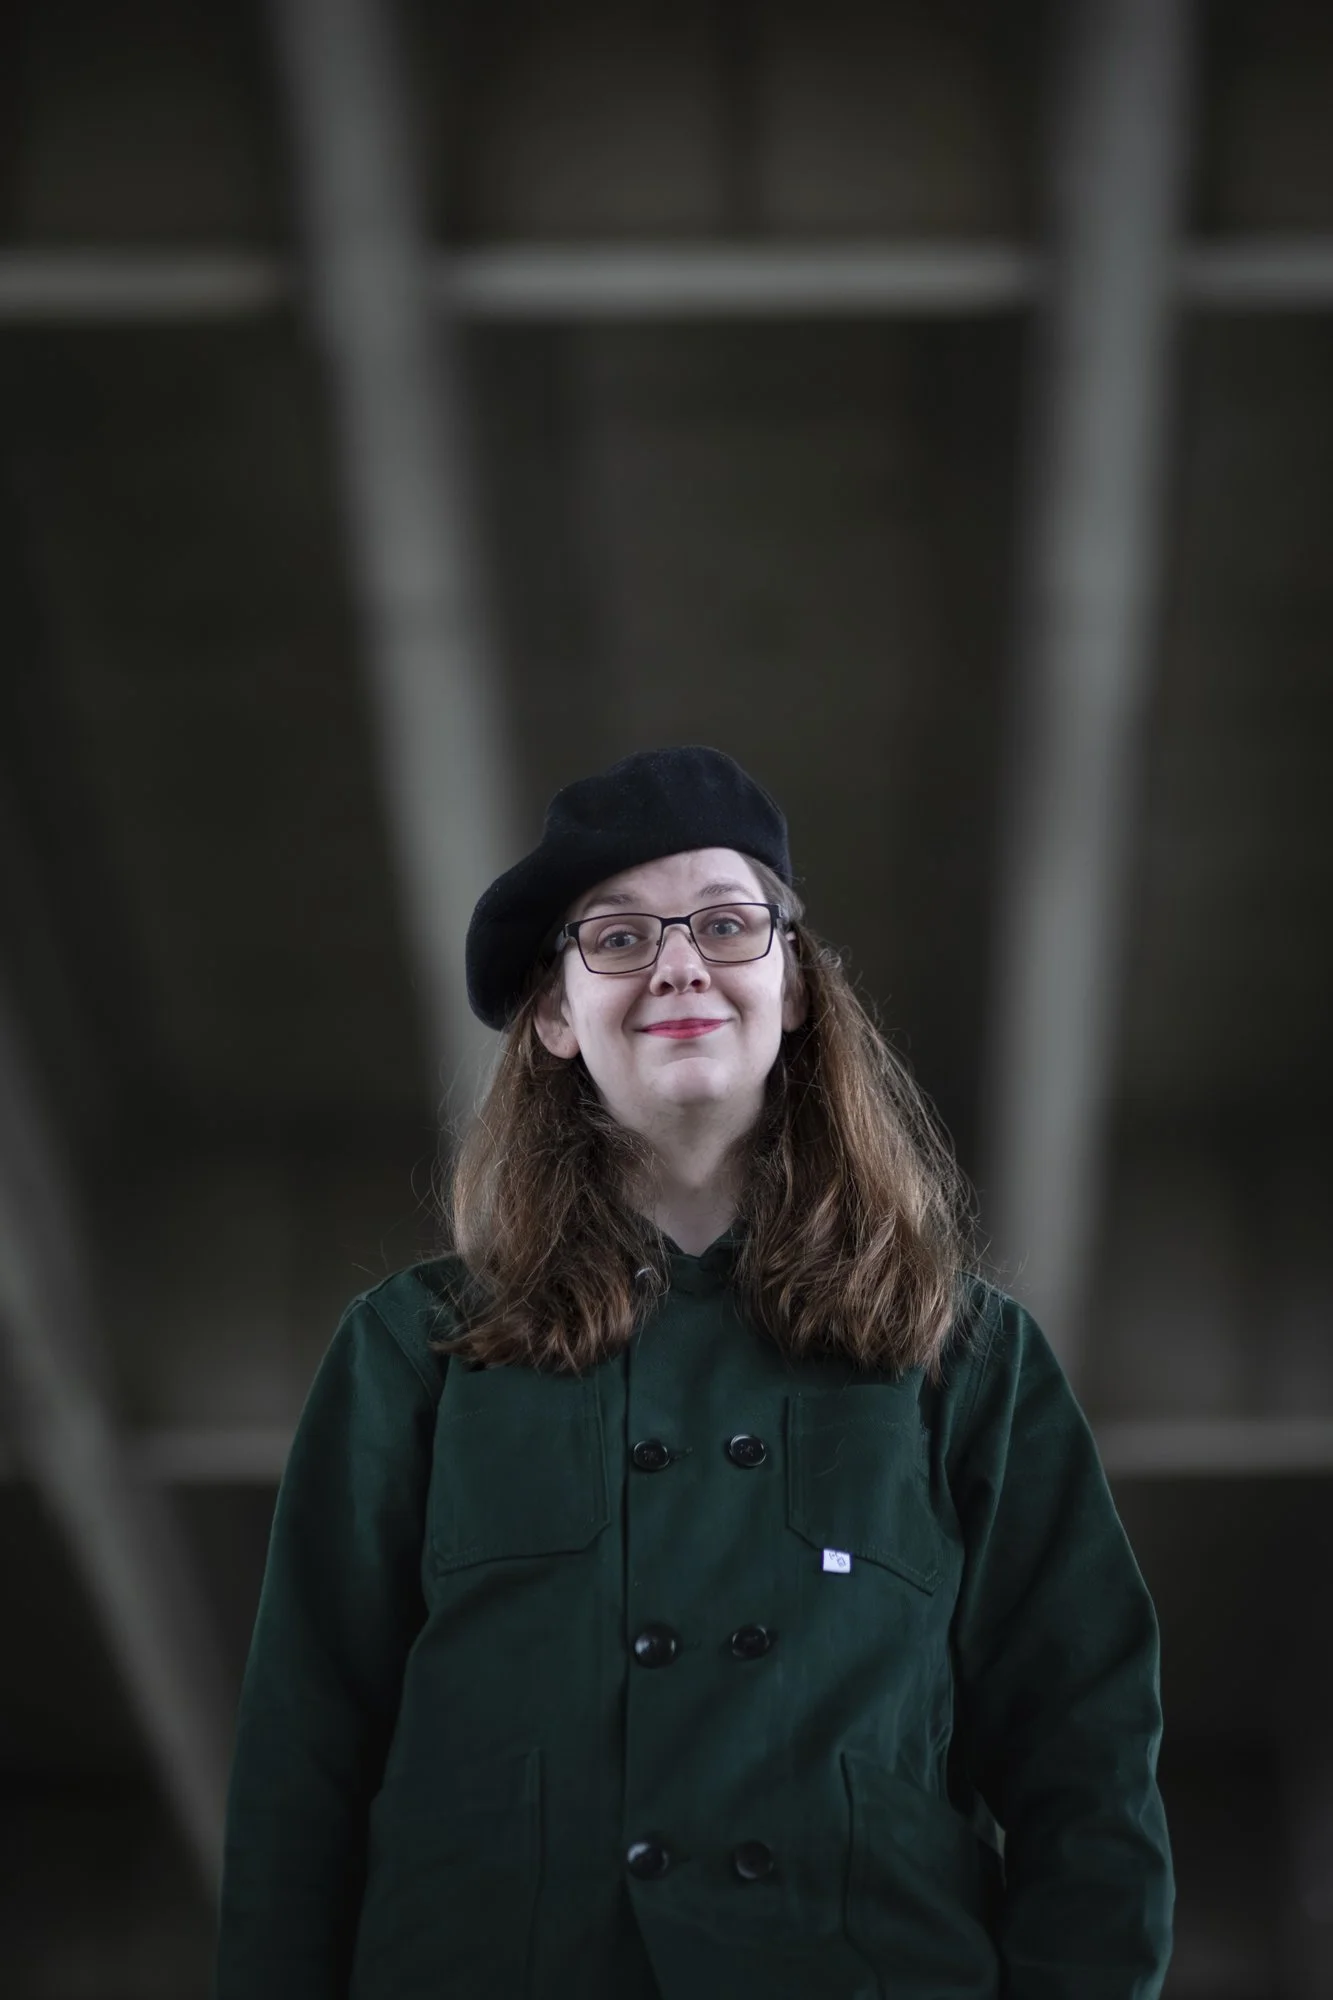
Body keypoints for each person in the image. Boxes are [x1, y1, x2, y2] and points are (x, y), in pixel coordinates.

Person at [215, 744, 1174, 1999]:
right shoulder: (415, 1351)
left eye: (724, 923)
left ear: (795, 984)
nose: (678, 964)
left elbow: (1086, 1758)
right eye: (618, 937)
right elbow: (301, 1764)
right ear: (555, 1015)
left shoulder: (963, 1354)